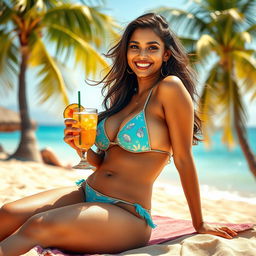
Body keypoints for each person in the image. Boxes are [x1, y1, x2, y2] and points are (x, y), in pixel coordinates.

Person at [0, 13, 238, 255]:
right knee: (7, 212)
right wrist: (81, 149)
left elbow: (184, 159)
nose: (142, 55)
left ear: (166, 54)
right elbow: (105, 163)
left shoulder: (170, 88)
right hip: (87, 192)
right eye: (134, 47)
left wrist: (200, 223)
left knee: (39, 225)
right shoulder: (123, 96)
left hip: (127, 213)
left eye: (152, 48)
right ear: (126, 52)